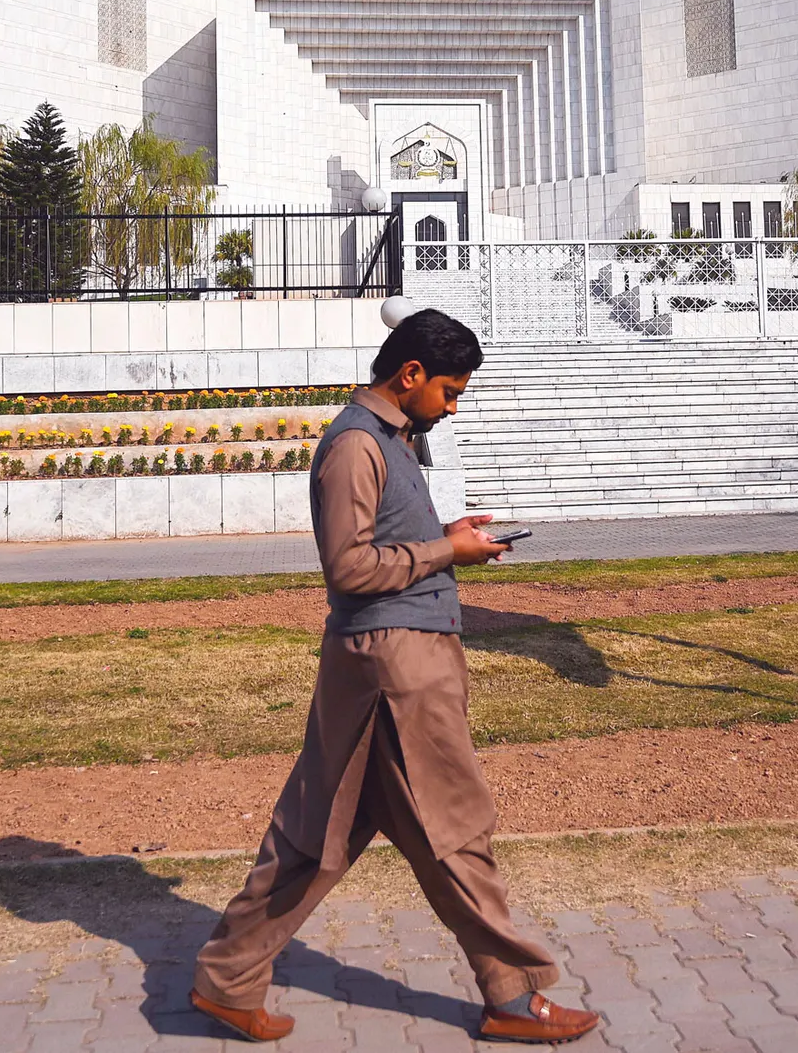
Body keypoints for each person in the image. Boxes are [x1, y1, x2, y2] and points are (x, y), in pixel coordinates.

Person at [191, 308, 600, 1044]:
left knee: (316, 836)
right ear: (409, 375)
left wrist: (444, 537)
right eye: (449, 391)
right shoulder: (355, 445)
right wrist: (450, 556)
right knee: (456, 830)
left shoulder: (391, 439)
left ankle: (226, 981)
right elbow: (349, 568)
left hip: (393, 661)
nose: (452, 406)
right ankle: (511, 998)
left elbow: (384, 543)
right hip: (393, 668)